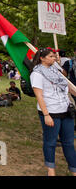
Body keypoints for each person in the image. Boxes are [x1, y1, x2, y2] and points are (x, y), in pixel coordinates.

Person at [30, 48, 76, 176]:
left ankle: (74, 169)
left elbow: (68, 88)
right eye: (51, 56)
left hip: (66, 110)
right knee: (50, 142)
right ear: (42, 58)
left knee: (69, 143)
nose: (54, 58)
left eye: (54, 56)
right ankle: (51, 171)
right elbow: (39, 96)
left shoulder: (56, 71)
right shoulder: (37, 74)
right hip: (51, 112)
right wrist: (46, 115)